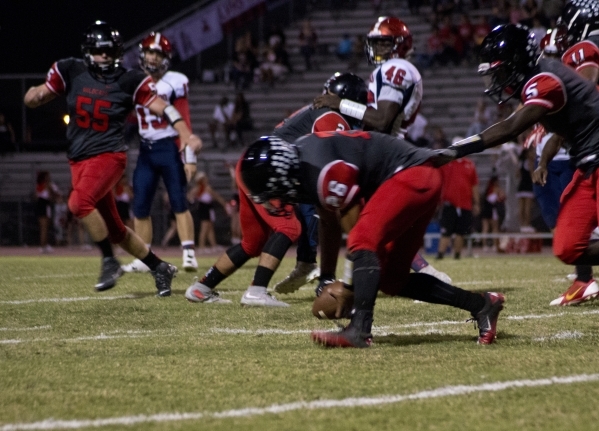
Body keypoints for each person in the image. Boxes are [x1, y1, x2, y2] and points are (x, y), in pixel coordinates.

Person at [240, 132, 505, 348]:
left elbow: (358, 235)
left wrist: (350, 290)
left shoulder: (323, 171)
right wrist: (327, 278)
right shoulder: (304, 165)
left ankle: (359, 330)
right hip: (419, 179)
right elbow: (330, 224)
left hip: (411, 175)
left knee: (363, 240)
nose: (272, 201)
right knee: (392, 280)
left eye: (271, 192)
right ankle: (482, 305)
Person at [23, 21, 200, 296]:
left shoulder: (130, 79)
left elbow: (163, 106)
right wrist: (33, 96)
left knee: (78, 203)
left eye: (109, 52)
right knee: (117, 230)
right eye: (98, 51)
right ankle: (160, 267)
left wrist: (184, 131)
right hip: (78, 159)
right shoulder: (70, 69)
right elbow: (39, 94)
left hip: (109, 155)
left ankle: (109, 260)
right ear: (88, 51)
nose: (104, 57)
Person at [437, 22, 599, 307]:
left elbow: (510, 128)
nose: (497, 80)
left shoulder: (545, 78)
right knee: (567, 246)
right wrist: (546, 157)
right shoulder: (542, 76)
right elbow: (566, 128)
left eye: (499, 71)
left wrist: (455, 150)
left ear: (516, 62)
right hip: (586, 164)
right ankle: (584, 281)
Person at [184, 73, 368, 306]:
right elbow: (328, 158)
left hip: (253, 163)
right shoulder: (332, 116)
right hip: (268, 170)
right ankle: (256, 290)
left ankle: (201, 288)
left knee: (252, 243)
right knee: (289, 227)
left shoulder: (313, 111)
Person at [313, 16, 452, 284]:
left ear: (400, 45)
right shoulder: (392, 69)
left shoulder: (395, 68)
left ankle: (351, 278)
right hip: (387, 151)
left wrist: (340, 103)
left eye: (384, 44)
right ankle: (419, 271)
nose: (378, 50)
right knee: (379, 224)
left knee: (360, 216)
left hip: (386, 155)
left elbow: (381, 119)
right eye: (375, 44)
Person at [273, 72, 368, 295]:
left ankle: (321, 273)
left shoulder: (323, 113)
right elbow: (334, 156)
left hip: (284, 166)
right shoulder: (329, 115)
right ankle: (360, 266)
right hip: (278, 170)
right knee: (338, 207)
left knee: (328, 214)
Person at [120, 32, 200, 274]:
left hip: (169, 147)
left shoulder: (175, 81)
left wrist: (189, 156)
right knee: (141, 204)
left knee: (178, 201)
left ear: (165, 57)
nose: (153, 57)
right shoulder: (134, 80)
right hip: (146, 149)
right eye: (150, 52)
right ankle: (144, 255)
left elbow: (184, 118)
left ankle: (188, 252)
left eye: (157, 53)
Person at [437, 137, 480, 260]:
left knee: (460, 232)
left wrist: (476, 203)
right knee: (446, 231)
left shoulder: (469, 164)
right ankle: (440, 255)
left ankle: (457, 256)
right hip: (449, 203)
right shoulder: (446, 163)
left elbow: (474, 185)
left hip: (465, 203)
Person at [188, 171, 228, 253]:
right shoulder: (204, 188)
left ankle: (213, 245)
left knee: (210, 228)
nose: (207, 179)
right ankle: (201, 247)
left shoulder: (199, 188)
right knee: (204, 228)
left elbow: (190, 196)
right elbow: (216, 196)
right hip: (204, 208)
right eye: (205, 178)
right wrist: (224, 204)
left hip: (206, 208)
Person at [480, 171, 506, 252]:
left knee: (486, 228)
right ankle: (494, 245)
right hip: (491, 209)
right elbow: (500, 198)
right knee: (494, 228)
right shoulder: (495, 188)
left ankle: (485, 246)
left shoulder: (488, 189)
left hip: (486, 209)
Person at [35, 171, 60, 253]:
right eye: (47, 176)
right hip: (44, 205)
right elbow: (51, 195)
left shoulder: (39, 186)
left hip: (41, 205)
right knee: (44, 228)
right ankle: (43, 246)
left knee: (45, 227)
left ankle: (44, 245)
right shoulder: (46, 185)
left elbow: (36, 196)